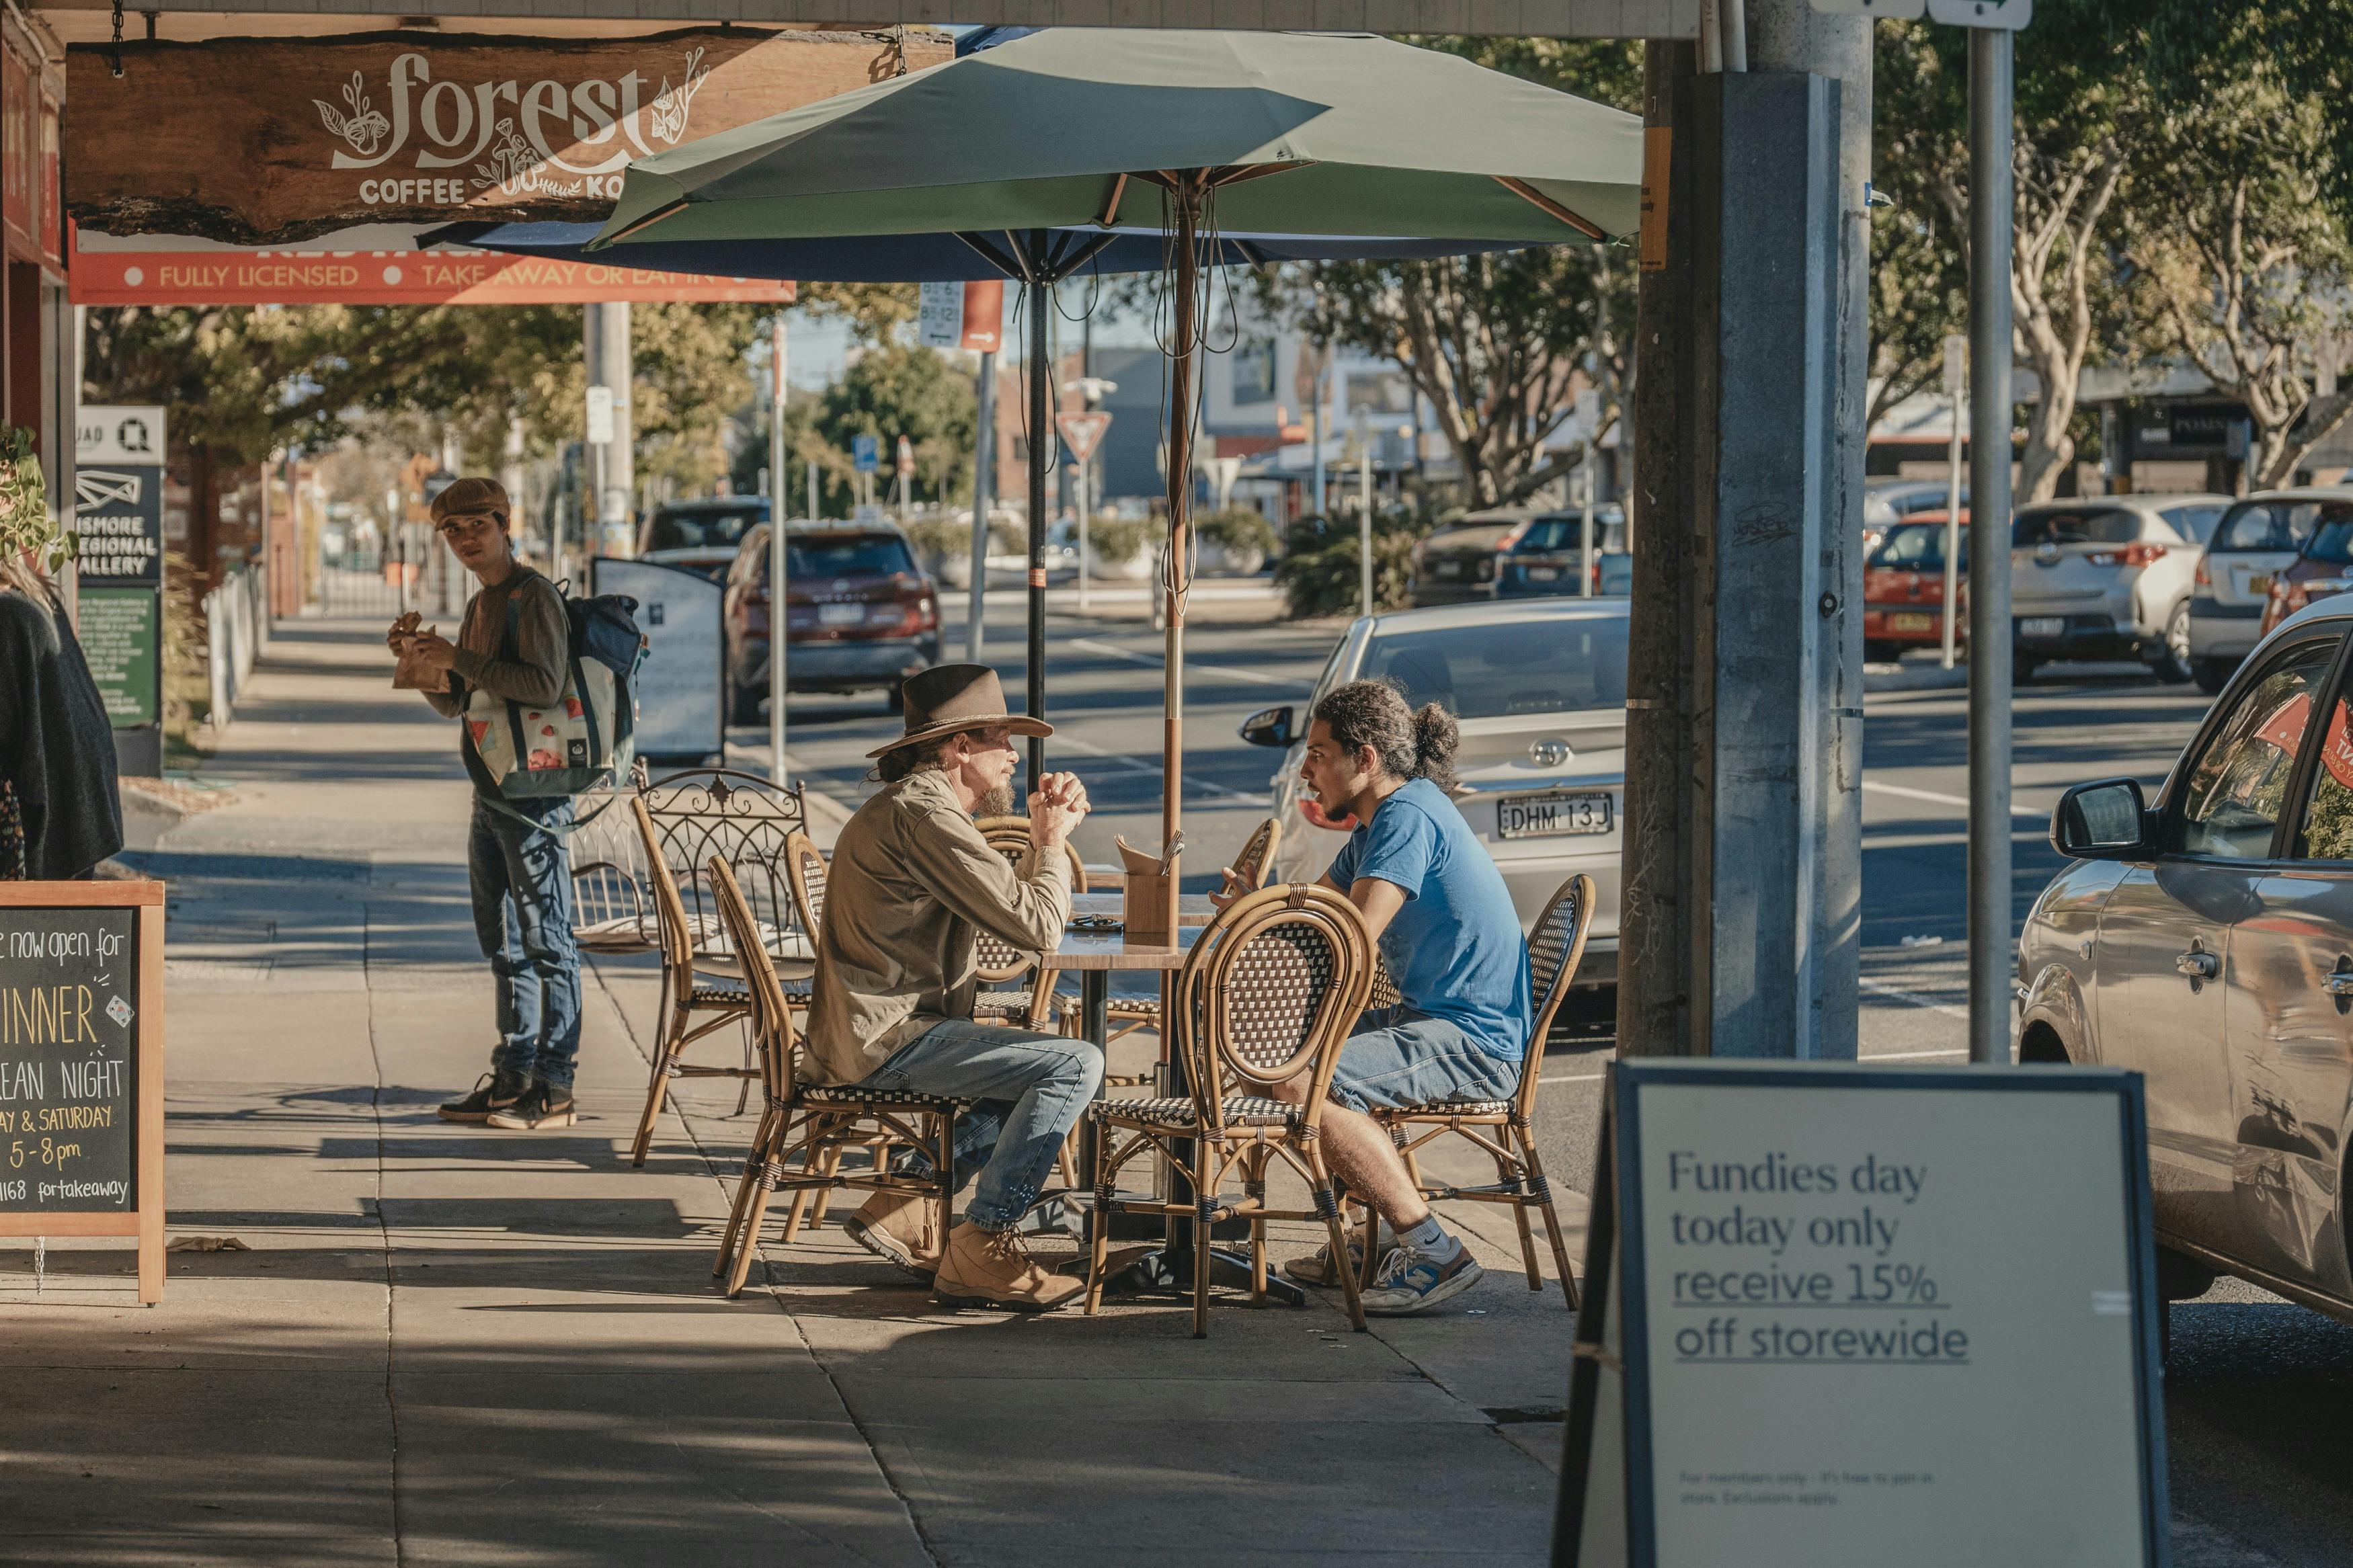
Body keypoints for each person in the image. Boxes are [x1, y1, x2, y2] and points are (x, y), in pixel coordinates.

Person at [808, 663, 1102, 1313]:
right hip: (885, 1040)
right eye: (1001, 739)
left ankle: (908, 1202)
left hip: (877, 1029)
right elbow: (1036, 928)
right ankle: (986, 1239)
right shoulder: (925, 816)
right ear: (959, 747)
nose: (1014, 758)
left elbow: (1011, 914)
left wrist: (1040, 839)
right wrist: (1050, 841)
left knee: (1028, 1061)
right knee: (1073, 1064)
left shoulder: (921, 809)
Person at [1242, 679, 1530, 1315]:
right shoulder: (1384, 821)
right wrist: (1252, 909)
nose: (1307, 771)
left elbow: (1353, 937)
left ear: (1364, 759)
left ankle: (1433, 1248)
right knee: (1274, 1072)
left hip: (1474, 1041)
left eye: (1318, 753)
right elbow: (1317, 919)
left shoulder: (1406, 817)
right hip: (1434, 1019)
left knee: (1298, 1080)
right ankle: (1364, 1242)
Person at [388, 478, 582, 1133]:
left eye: (478, 525)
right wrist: (422, 664)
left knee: (547, 938)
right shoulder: (480, 602)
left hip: (535, 795)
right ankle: (512, 1074)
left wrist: (460, 656)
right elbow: (459, 701)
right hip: (492, 789)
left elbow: (544, 685)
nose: (467, 539)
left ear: (504, 524)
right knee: (502, 940)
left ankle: (555, 1086)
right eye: (453, 530)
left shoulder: (533, 596)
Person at [0, 549, 124, 882]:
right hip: (79, 795)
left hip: (53, 799)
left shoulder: (7, 615)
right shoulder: (38, 597)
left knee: (33, 925)